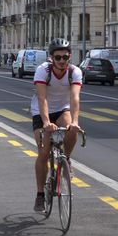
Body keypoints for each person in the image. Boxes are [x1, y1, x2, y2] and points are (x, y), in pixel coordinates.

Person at [31, 38, 83, 212]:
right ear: (51, 58)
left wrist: (75, 122)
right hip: (41, 111)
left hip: (62, 109)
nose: (62, 61)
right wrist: (46, 122)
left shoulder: (74, 72)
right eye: (58, 57)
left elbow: (75, 98)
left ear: (70, 57)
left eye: (65, 57)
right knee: (44, 152)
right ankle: (40, 194)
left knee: (71, 129)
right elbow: (42, 98)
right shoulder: (42, 71)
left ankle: (66, 159)